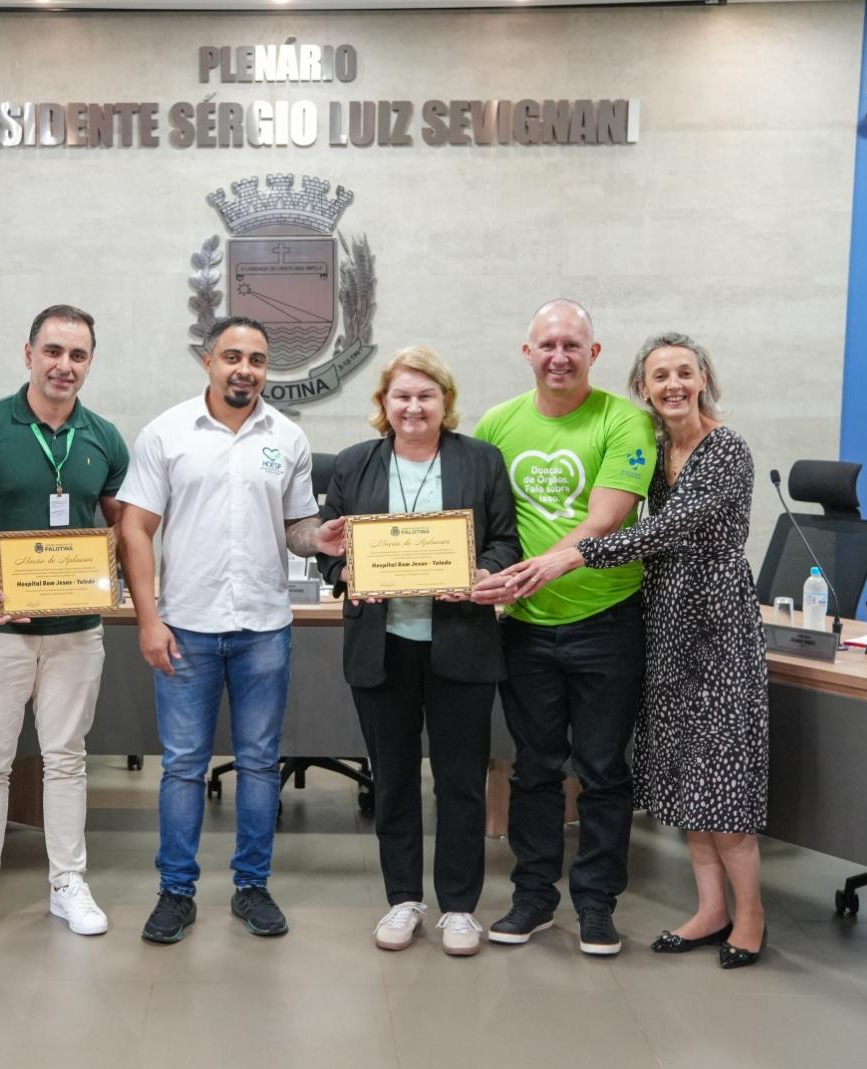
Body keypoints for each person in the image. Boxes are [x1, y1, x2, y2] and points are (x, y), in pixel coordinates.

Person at [497, 333, 770, 968]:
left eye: (684, 372)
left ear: (704, 377)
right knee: (686, 778)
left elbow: (667, 530)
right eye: (658, 376)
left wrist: (576, 555)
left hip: (718, 631)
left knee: (724, 780)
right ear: (641, 388)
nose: (672, 384)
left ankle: (750, 918)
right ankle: (710, 909)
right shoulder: (659, 447)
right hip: (664, 627)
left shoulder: (725, 448)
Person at [118, 314, 344, 944]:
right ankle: (175, 893)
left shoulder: (289, 438)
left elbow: (296, 528)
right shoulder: (167, 433)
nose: (245, 369)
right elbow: (134, 527)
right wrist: (147, 617)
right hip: (185, 627)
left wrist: (317, 536)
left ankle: (252, 887)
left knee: (259, 763)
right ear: (208, 361)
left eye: (258, 360)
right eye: (233, 357)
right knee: (185, 767)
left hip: (264, 628)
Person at [317, 347, 521, 956]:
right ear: (384, 403)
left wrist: (482, 569)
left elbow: (507, 540)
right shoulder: (355, 465)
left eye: (426, 396)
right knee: (395, 779)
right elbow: (327, 546)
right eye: (402, 396)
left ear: (445, 403)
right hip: (383, 647)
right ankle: (403, 899)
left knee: (461, 781)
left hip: (460, 640)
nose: (413, 406)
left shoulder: (481, 460)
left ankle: (459, 907)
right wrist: (344, 568)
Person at [0, 304, 129, 944]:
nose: (63, 366)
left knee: (66, 760)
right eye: (52, 351)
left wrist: (122, 579)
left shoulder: (104, 437)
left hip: (76, 630)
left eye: (77, 355)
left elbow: (125, 525)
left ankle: (67, 884)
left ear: (90, 363)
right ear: (28, 354)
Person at [471, 299, 656, 956]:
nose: (559, 357)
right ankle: (533, 896)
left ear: (594, 354)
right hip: (523, 627)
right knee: (535, 768)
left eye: (572, 346)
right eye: (547, 344)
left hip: (606, 621)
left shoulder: (624, 420)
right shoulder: (497, 423)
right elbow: (478, 518)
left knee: (603, 768)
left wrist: (545, 566)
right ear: (528, 353)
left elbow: (607, 517)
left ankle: (598, 901)